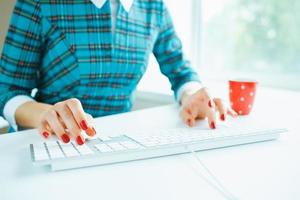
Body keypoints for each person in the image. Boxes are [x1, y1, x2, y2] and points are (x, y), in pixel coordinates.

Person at [0, 0, 236, 145]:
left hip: (117, 144)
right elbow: (7, 90)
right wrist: (47, 114)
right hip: (46, 142)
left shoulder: (154, 6)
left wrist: (192, 95)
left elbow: (181, 72)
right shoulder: (40, 3)